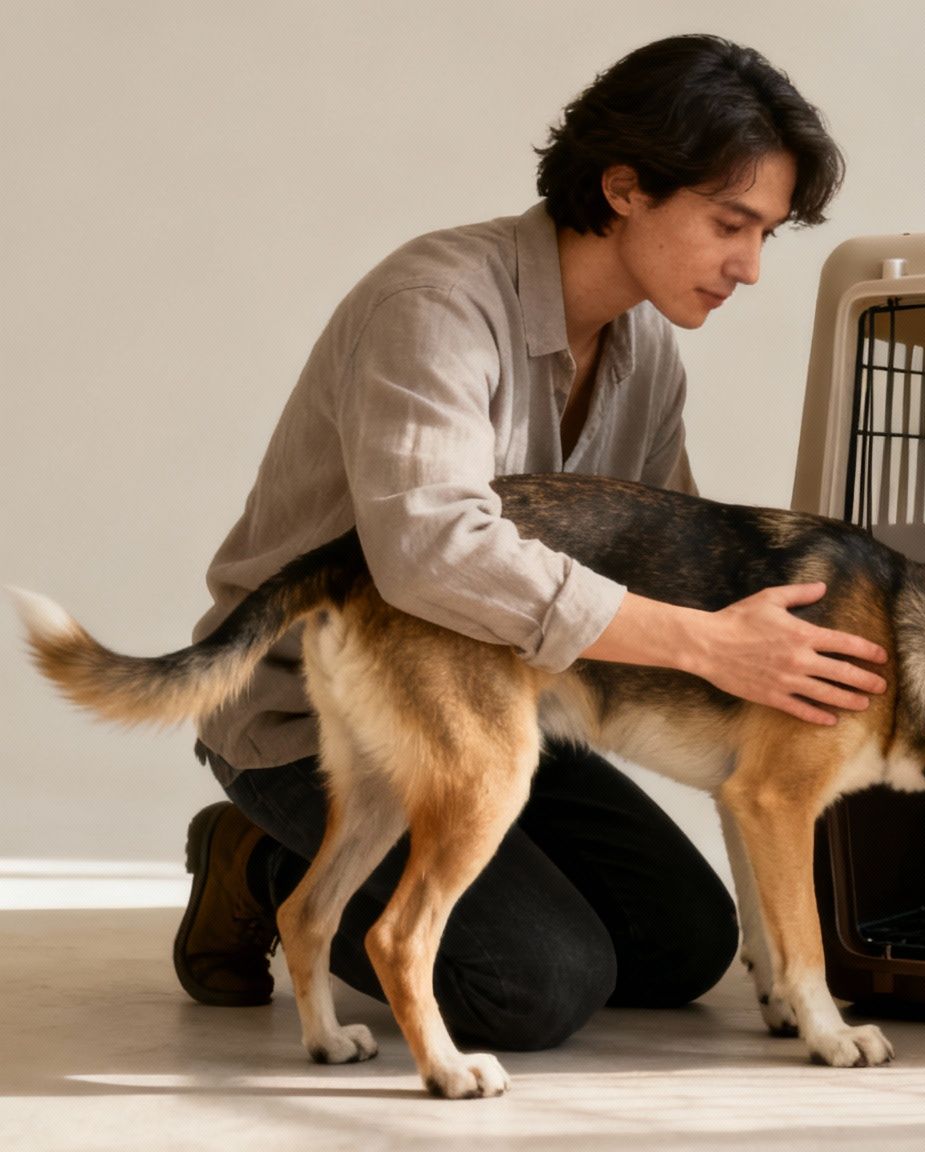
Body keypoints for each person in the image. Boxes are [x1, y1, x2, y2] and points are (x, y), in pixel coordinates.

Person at [174, 34, 888, 1053]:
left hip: (515, 706)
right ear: (625, 186)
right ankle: (261, 859)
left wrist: (782, 628)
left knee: (683, 948)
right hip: (320, 708)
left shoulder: (647, 360)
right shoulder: (436, 306)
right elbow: (428, 548)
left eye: (766, 234)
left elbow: (664, 554)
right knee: (536, 987)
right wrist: (701, 643)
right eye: (731, 225)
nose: (751, 268)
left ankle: (381, 858)